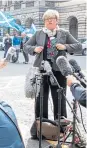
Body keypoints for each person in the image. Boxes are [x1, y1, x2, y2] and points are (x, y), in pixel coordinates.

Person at [20, 9, 82, 138]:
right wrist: (34, 49)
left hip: (59, 71)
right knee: (40, 100)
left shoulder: (64, 33)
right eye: (46, 20)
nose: (49, 21)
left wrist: (65, 47)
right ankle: (40, 130)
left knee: (59, 99)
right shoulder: (38, 33)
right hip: (41, 70)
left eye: (51, 19)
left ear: (56, 21)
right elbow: (25, 46)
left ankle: (60, 130)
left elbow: (78, 46)